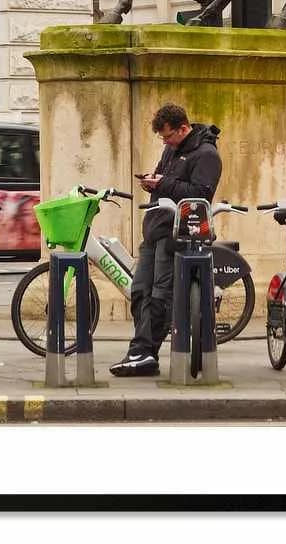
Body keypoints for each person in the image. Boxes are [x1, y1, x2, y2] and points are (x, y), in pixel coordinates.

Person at [109, 103, 222, 377]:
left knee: (160, 295)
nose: (165, 141)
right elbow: (166, 178)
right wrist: (152, 181)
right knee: (140, 290)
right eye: (162, 138)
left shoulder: (206, 155)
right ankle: (142, 352)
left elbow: (199, 195)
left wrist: (161, 184)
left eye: (168, 136)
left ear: (183, 128)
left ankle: (145, 352)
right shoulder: (172, 149)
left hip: (177, 234)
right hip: (155, 228)